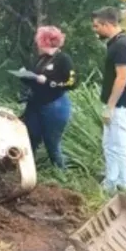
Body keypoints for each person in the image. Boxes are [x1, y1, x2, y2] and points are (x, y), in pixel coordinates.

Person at [91, 7, 126, 193]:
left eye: (96, 26)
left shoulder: (121, 45)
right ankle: (111, 182)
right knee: (109, 145)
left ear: (107, 24)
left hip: (120, 107)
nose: (95, 29)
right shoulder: (118, 41)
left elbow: (121, 78)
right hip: (117, 104)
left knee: (120, 146)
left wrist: (110, 107)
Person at [22, 25, 76, 170]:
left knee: (52, 144)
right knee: (30, 138)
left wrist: (49, 82)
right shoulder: (41, 59)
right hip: (35, 104)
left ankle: (61, 174)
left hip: (54, 105)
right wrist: (26, 76)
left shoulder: (63, 59)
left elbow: (71, 83)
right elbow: (34, 76)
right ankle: (28, 170)